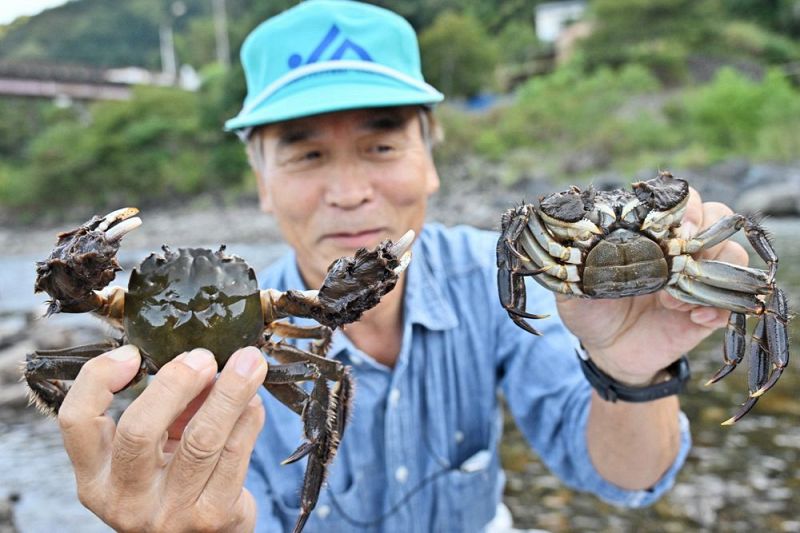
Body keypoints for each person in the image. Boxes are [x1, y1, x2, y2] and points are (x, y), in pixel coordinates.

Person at [56, 1, 749, 531]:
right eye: (306, 153)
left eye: (382, 146)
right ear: (259, 178)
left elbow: (628, 477)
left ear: (431, 153)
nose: (351, 190)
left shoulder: (499, 273)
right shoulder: (221, 345)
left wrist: (632, 371)